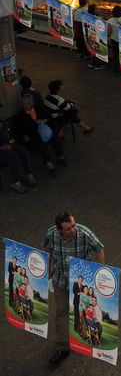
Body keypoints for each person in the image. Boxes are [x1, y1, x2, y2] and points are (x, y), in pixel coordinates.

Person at [42, 211, 104, 365]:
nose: (74, 229)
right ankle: (62, 347)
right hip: (60, 281)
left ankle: (86, 337)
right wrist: (48, 268)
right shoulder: (51, 234)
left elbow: (99, 249)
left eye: (74, 225)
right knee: (61, 312)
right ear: (60, 230)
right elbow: (47, 249)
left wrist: (100, 273)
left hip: (82, 284)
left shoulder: (84, 233)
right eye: (69, 228)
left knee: (82, 312)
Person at [13, 93, 66, 176]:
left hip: (45, 131)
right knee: (41, 143)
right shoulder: (21, 115)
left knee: (54, 137)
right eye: (24, 104)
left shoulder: (39, 108)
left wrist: (44, 120)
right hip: (33, 135)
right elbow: (20, 129)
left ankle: (60, 156)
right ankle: (49, 163)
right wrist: (26, 133)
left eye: (28, 103)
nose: (25, 105)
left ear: (32, 103)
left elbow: (49, 117)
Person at [0, 119, 36, 194]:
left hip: (6, 144)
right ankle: (15, 182)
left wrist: (10, 139)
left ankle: (28, 173)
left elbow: (5, 132)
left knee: (23, 150)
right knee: (14, 155)